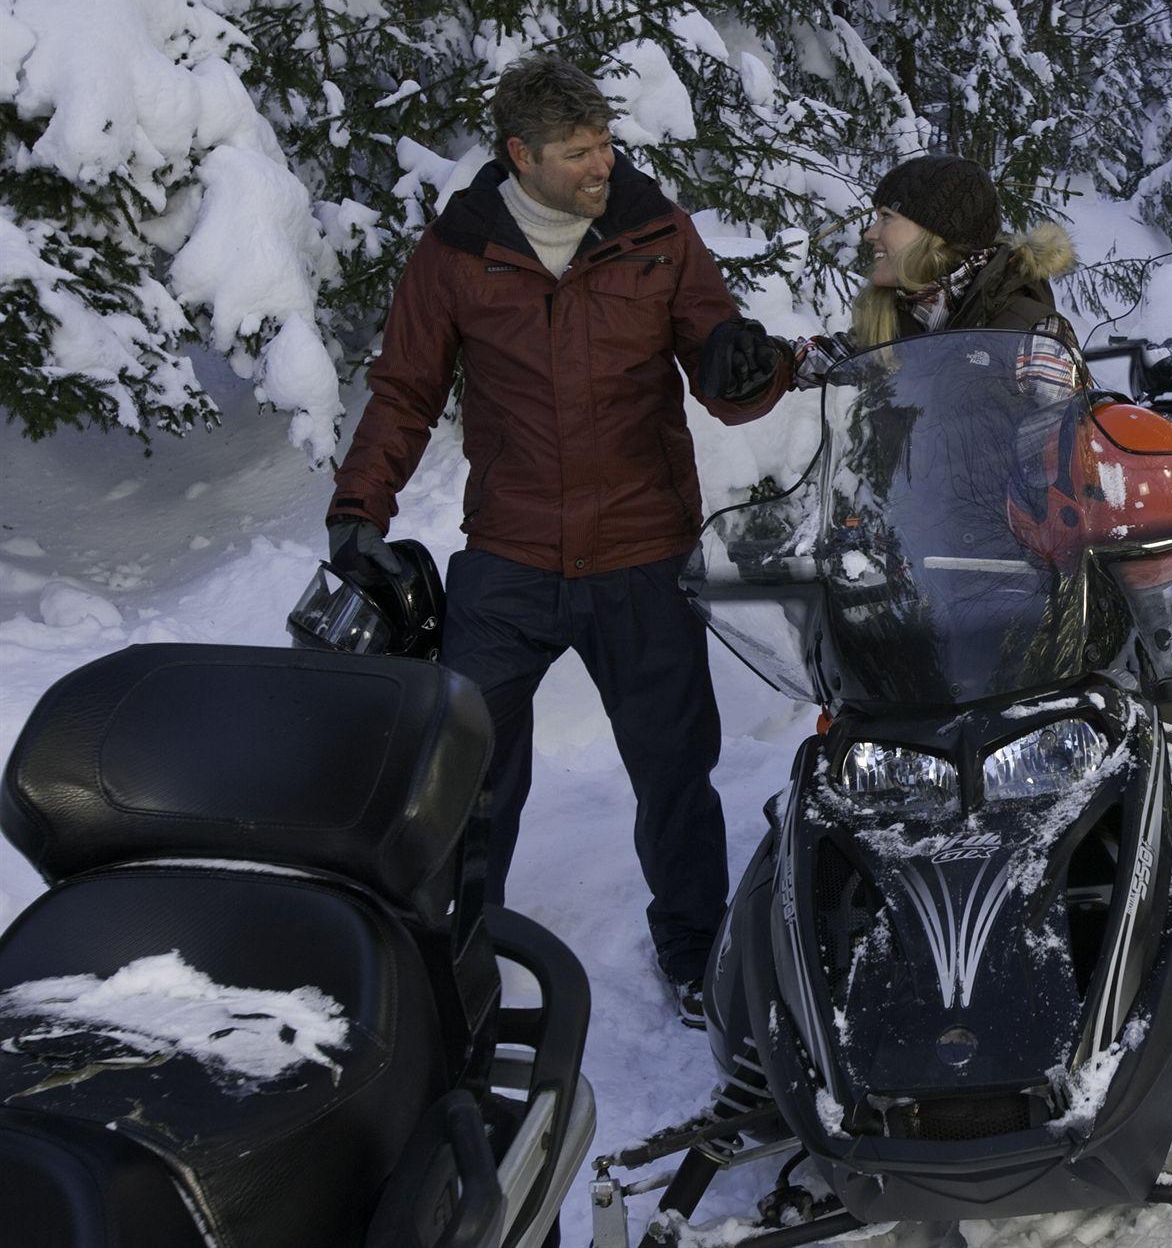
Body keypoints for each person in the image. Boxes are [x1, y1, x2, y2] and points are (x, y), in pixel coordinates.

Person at [325, 54, 792, 1029]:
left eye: (606, 144)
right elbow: (405, 391)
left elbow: (719, 366)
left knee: (673, 769)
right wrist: (357, 510)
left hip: (641, 556)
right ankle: (450, 963)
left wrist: (742, 367)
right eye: (578, 152)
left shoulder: (656, 233)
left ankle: (693, 954)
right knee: (466, 776)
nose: (601, 164)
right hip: (509, 561)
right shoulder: (457, 253)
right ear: (518, 156)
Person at [796, 153, 1081, 392]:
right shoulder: (902, 317)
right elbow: (833, 361)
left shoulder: (1029, 336)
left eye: (886, 217)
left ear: (938, 234)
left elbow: (1075, 439)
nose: (870, 233)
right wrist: (773, 361)